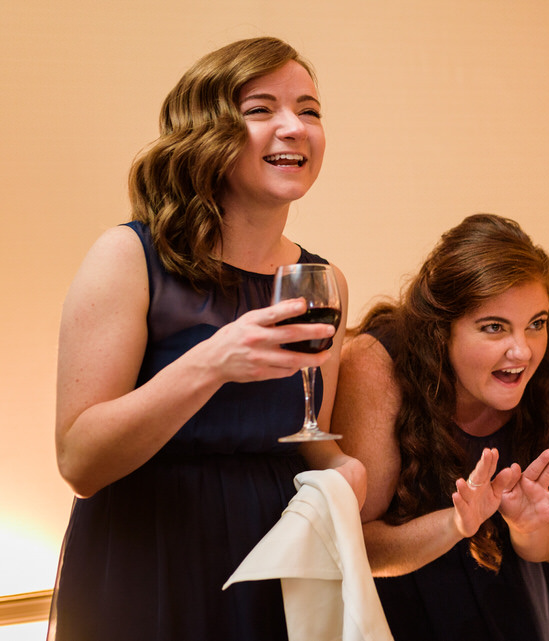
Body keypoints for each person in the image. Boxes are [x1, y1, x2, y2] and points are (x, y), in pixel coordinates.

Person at [50, 37, 364, 641]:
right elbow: (80, 461)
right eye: (262, 109)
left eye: (310, 109)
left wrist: (344, 467)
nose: (294, 127)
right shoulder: (129, 257)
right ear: (209, 131)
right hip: (152, 557)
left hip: (272, 562)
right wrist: (212, 363)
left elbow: (307, 437)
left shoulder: (324, 282)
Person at [331, 213, 549, 641]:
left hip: (519, 609)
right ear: (440, 331)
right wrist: (455, 524)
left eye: (535, 324)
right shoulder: (376, 365)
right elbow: (359, 548)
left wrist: (526, 527)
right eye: (494, 328)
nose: (522, 351)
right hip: (399, 610)